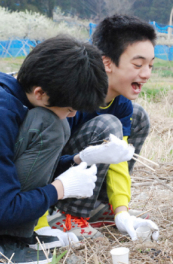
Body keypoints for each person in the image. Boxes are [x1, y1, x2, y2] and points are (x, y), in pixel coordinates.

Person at [0, 35, 110, 264]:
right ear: (40, 93)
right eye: (69, 107)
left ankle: (8, 238)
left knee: (53, 123)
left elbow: (5, 167)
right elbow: (1, 210)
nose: (73, 114)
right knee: (52, 126)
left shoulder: (7, 91)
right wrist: (59, 190)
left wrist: (77, 160)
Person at [43, 14, 160, 242]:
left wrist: (121, 210)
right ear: (107, 63)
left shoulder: (122, 104)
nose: (146, 74)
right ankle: (66, 215)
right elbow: (43, 157)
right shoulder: (72, 94)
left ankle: (99, 207)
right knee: (108, 125)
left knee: (138, 116)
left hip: (81, 171)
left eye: (150, 65)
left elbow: (118, 160)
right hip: (54, 177)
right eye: (138, 65)